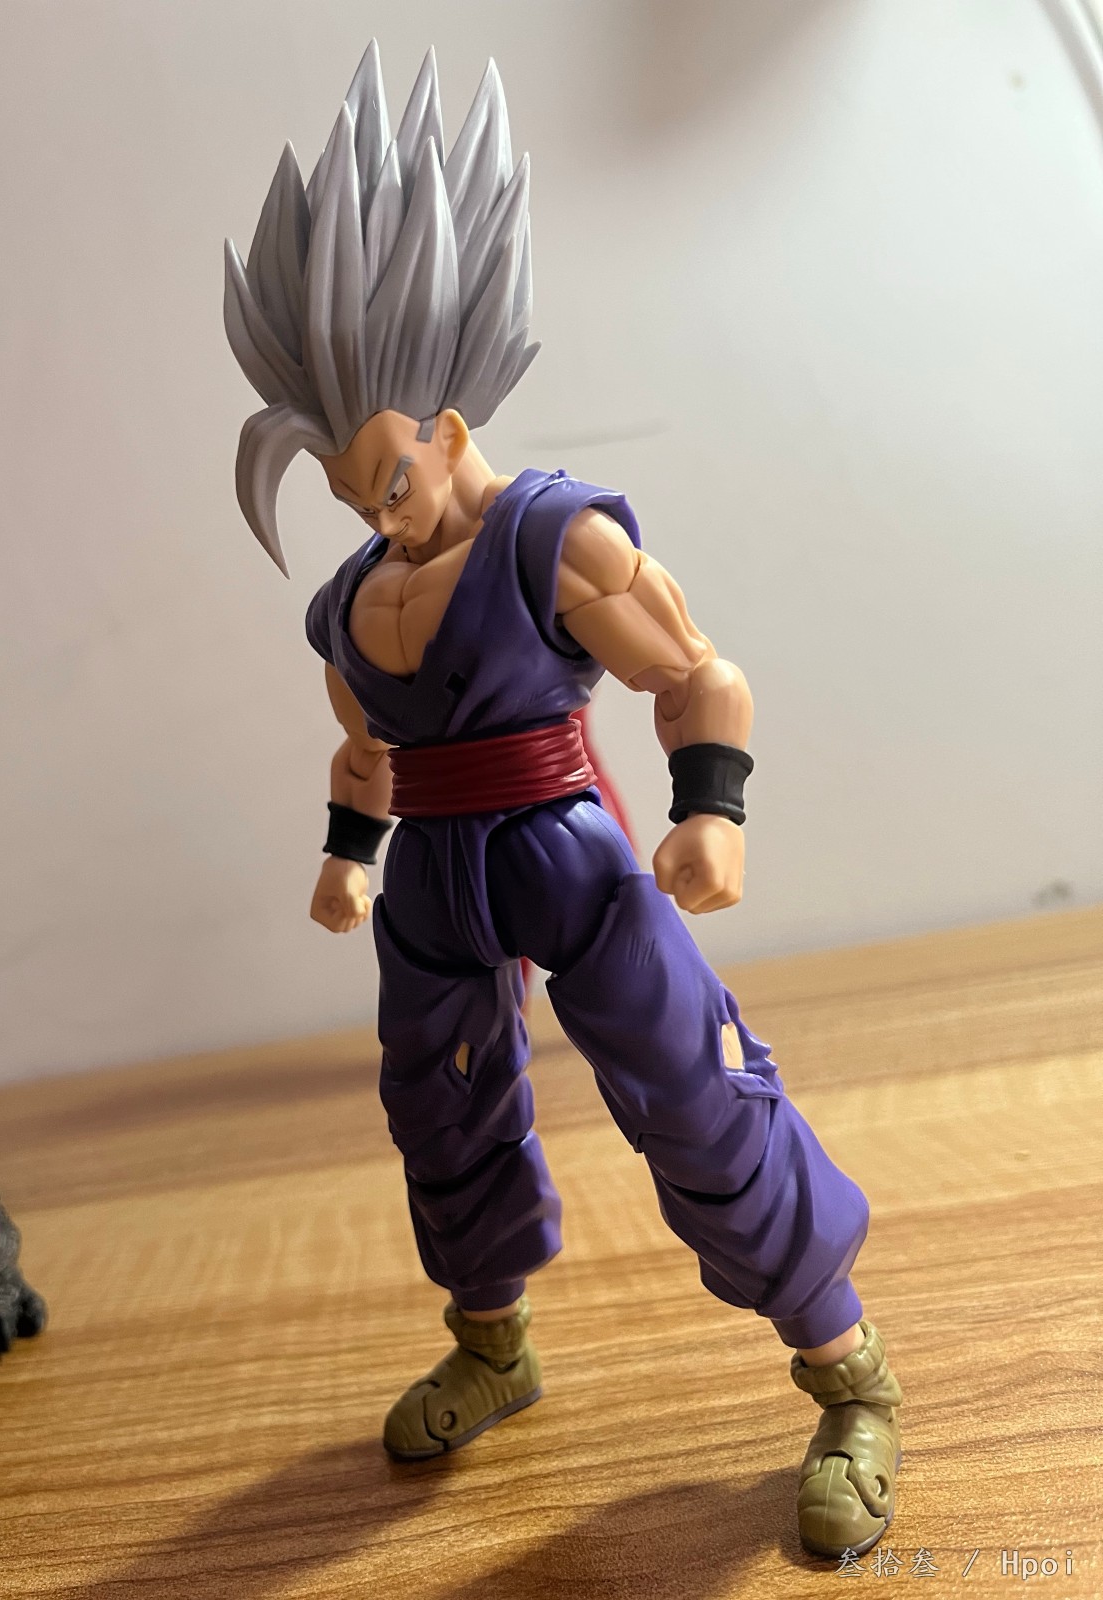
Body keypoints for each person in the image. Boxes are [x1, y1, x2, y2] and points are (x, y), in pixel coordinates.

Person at [224, 42, 902, 1560]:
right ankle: (494, 1345)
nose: (376, 514)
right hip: (434, 882)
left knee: (694, 1095)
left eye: (388, 479)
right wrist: (347, 856)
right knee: (440, 1108)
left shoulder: (555, 538)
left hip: (572, 860)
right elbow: (363, 753)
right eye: (348, 493)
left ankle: (850, 1372)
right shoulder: (349, 604)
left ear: (450, 430)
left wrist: (711, 810)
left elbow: (698, 675)